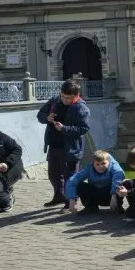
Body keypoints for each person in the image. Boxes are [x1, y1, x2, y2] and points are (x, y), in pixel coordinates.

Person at [37, 79, 90, 207]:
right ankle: (59, 196)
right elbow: (40, 114)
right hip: (54, 145)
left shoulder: (81, 107)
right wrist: (47, 118)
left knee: (70, 177)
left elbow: (83, 128)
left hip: (71, 148)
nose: (64, 100)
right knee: (53, 175)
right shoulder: (55, 101)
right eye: (63, 96)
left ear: (76, 95)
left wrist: (64, 128)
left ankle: (70, 202)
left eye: (68, 98)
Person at [64, 150, 125, 214]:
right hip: (95, 195)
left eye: (103, 163)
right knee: (79, 184)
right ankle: (91, 207)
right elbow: (72, 181)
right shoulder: (89, 168)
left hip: (110, 196)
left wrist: (114, 195)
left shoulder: (114, 165)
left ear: (109, 162)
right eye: (97, 164)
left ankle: (117, 206)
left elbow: (118, 176)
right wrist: (72, 200)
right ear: (93, 163)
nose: (101, 166)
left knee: (122, 183)